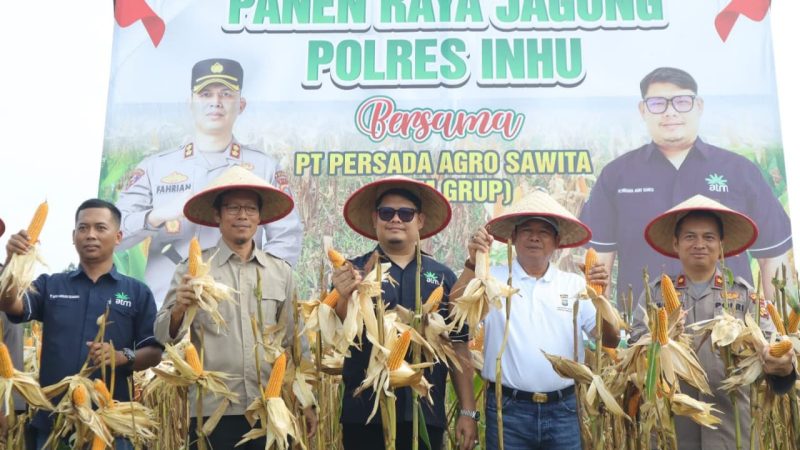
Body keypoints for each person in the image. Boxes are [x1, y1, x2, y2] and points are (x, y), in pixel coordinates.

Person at [579, 67, 792, 303]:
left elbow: (773, 258)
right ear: (643, 110)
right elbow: (599, 263)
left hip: (729, 327)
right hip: (645, 331)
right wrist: (607, 331)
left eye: (682, 102)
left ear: (699, 106)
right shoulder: (617, 175)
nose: (670, 112)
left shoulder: (740, 171)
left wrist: (779, 331)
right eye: (658, 103)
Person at [115, 58, 304, 307]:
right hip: (168, 306)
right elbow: (115, 236)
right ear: (190, 103)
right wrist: (156, 216)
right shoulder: (154, 167)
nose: (216, 102)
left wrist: (257, 282)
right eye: (206, 94)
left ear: (241, 104)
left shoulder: (264, 167)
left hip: (236, 305)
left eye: (226, 94)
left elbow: (288, 236)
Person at [154, 165, 316, 449]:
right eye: (233, 208)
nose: (243, 215)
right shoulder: (191, 271)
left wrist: (306, 400)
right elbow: (163, 336)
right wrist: (180, 308)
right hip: (211, 409)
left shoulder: (280, 272)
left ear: (259, 217)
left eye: (251, 209)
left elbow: (296, 341)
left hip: (269, 407)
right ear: (217, 215)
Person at [454, 190, 620, 450]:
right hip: (507, 409)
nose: (534, 237)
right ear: (513, 238)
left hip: (564, 409)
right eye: (526, 230)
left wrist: (601, 297)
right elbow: (454, 315)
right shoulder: (491, 279)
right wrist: (472, 263)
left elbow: (610, 338)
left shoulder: (575, 284)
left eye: (543, 231)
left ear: (556, 241)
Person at [632, 195, 797, 449]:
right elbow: (634, 360)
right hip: (670, 433)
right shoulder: (653, 295)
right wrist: (658, 346)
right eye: (690, 236)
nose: (700, 244)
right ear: (676, 243)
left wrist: (782, 367)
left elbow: (773, 354)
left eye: (709, 237)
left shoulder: (745, 296)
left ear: (721, 245)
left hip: (732, 433)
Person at [0, 199, 163, 449]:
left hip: (110, 424)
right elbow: (10, 304)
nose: (90, 235)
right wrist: (12, 261)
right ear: (73, 236)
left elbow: (153, 352)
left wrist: (122, 356)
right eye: (83, 228)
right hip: (54, 422)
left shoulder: (137, 292)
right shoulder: (50, 285)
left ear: (118, 236)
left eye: (100, 228)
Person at [332, 176, 479, 450]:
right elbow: (339, 330)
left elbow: (458, 346)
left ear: (420, 221)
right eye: (386, 213)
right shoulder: (353, 271)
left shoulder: (443, 276)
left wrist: (468, 412)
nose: (395, 219)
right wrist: (342, 295)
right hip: (364, 412)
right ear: (375, 219)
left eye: (406, 213)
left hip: (425, 412)